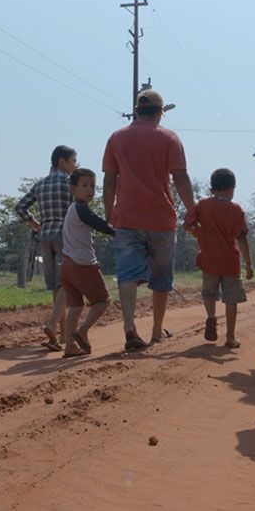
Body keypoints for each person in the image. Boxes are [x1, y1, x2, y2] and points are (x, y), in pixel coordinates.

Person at [102, 89, 196, 350]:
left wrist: (109, 211)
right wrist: (192, 209)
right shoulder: (169, 138)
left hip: (127, 218)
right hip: (161, 219)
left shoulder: (116, 138)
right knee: (161, 278)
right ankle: (156, 331)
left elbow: (109, 180)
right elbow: (180, 177)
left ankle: (130, 327)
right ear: (160, 112)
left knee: (127, 274)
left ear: (136, 110)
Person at [15, 145, 79, 351]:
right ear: (62, 161)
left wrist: (36, 225)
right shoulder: (70, 183)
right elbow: (79, 210)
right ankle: (53, 326)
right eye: (73, 161)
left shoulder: (40, 184)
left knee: (56, 285)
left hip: (45, 236)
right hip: (65, 235)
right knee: (67, 283)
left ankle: (60, 337)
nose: (75, 165)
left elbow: (20, 207)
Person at [184, 168, 253, 349]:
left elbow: (186, 224)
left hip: (208, 259)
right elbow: (242, 238)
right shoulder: (236, 210)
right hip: (230, 261)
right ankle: (230, 337)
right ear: (232, 189)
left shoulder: (202, 205)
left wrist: (196, 232)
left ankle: (211, 318)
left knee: (209, 292)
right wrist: (249, 264)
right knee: (231, 299)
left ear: (212, 188)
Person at [59, 168, 115, 358]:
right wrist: (118, 232)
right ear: (72, 189)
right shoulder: (81, 209)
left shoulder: (71, 210)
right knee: (102, 300)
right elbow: (99, 224)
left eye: (92, 186)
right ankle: (82, 331)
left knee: (75, 307)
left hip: (66, 264)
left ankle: (69, 347)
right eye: (84, 186)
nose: (90, 190)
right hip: (82, 263)